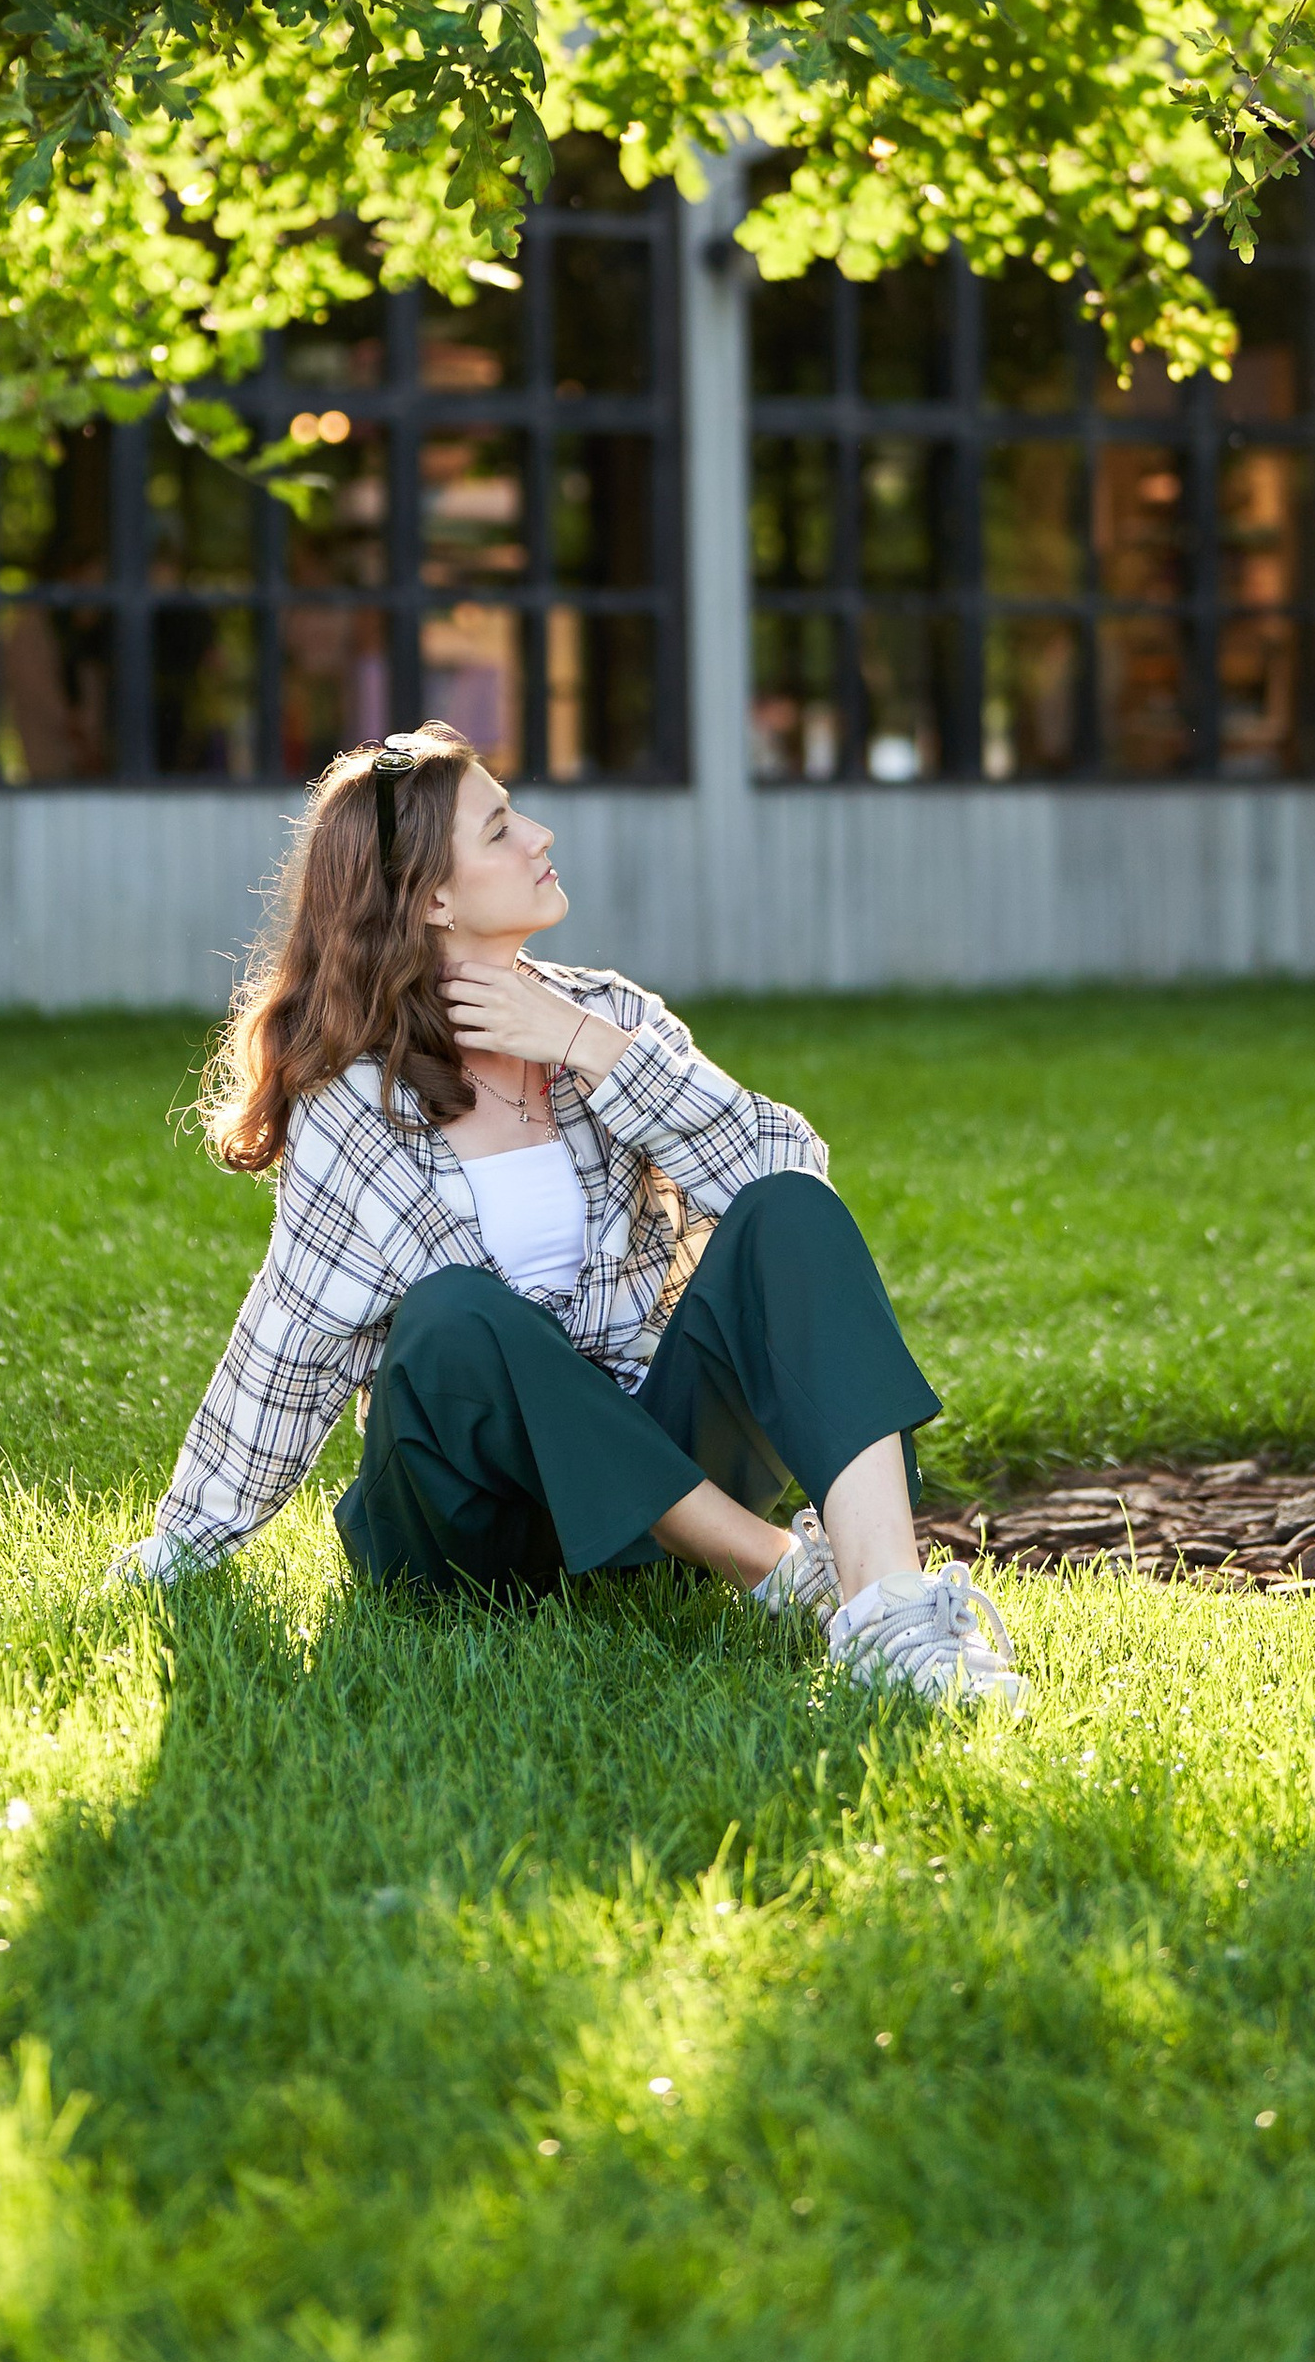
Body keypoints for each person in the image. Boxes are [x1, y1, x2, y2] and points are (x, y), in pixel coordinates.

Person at [107, 722, 1024, 1710]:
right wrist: (187, 1543)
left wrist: (590, 1046)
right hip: (472, 1530)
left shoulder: (607, 1013)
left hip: (657, 1480)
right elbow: (290, 1338)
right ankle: (768, 1564)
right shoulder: (352, 1102)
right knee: (458, 1315)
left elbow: (788, 1178)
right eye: (500, 828)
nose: (539, 834)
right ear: (432, 896)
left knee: (786, 1211)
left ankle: (889, 1618)